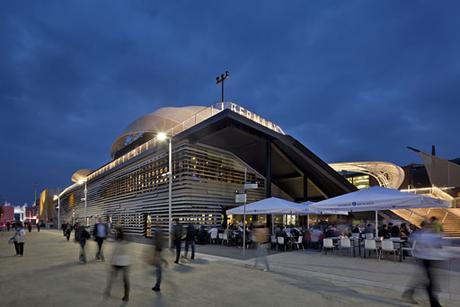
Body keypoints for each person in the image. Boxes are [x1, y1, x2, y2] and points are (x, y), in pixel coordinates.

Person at [402, 221, 445, 306]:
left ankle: (409, 292)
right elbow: (436, 244)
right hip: (425, 259)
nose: (430, 226)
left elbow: (411, 240)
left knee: (424, 280)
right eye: (429, 225)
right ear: (425, 226)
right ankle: (434, 303)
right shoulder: (423, 234)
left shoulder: (420, 234)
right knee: (429, 282)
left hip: (427, 259)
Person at [105, 227, 130, 302]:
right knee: (125, 280)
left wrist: (111, 261)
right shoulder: (124, 240)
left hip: (118, 261)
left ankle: (108, 291)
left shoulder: (117, 241)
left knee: (112, 277)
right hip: (124, 262)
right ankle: (126, 295)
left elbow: (115, 251)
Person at [151, 226, 166, 292]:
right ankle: (157, 285)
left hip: (158, 252)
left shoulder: (157, 237)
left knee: (158, 270)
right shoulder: (161, 235)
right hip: (159, 252)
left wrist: (155, 256)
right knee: (158, 270)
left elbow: (156, 246)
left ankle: (157, 286)